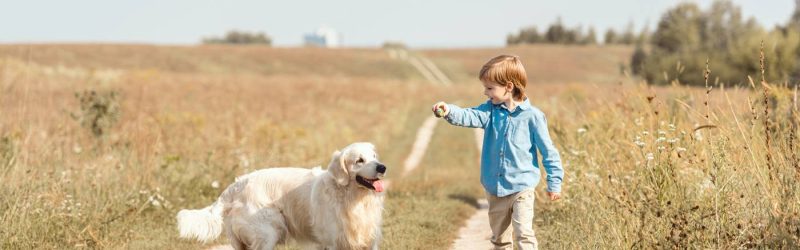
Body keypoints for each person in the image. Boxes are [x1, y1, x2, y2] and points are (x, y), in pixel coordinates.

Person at [431, 55, 563, 250]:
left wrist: (555, 182)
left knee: (524, 233)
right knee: (500, 240)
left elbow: (549, 152)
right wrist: (449, 110)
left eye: (490, 88)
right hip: (495, 188)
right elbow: (469, 115)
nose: (485, 92)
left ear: (508, 86)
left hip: (522, 187)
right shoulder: (490, 111)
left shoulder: (533, 117)